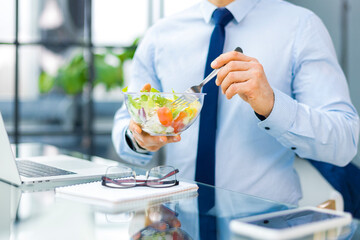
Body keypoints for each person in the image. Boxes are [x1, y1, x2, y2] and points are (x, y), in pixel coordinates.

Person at [112, 0, 359, 205]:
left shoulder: (301, 27)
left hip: (265, 226)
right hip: (178, 224)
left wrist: (272, 105)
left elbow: (345, 142)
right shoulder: (160, 35)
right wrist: (138, 137)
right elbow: (126, 126)